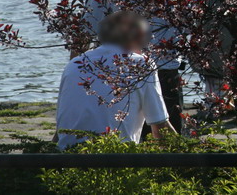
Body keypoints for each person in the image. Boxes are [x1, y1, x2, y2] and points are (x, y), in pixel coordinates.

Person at [56, 11, 176, 150]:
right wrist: (186, 156)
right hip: (116, 156)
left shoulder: (74, 64)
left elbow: (61, 125)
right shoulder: (141, 64)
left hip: (69, 154)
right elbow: (160, 128)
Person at [83, 0, 186, 136]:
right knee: (162, 139)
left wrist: (80, 70)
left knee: (124, 137)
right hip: (146, 70)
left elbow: (85, 29)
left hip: (120, 71)